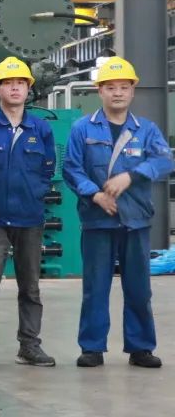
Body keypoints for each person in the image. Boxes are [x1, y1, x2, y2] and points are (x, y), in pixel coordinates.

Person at [63, 56, 172, 369]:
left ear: (132, 91)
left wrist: (131, 176)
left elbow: (164, 160)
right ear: (100, 91)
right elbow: (71, 168)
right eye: (111, 87)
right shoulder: (82, 129)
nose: (118, 93)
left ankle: (141, 347)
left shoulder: (146, 130)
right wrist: (95, 194)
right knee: (95, 287)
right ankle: (92, 347)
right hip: (97, 220)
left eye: (124, 87)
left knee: (139, 288)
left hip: (135, 219)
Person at [0, 57, 57, 368]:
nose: (15, 88)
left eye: (21, 83)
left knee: (30, 287)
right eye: (8, 83)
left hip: (30, 219)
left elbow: (48, 169)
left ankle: (30, 346)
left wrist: (34, 193)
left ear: (28, 89)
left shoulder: (41, 129)